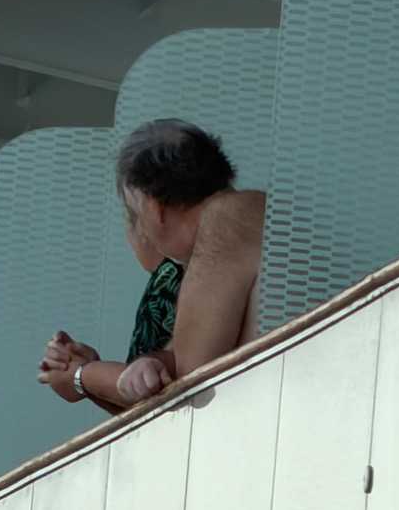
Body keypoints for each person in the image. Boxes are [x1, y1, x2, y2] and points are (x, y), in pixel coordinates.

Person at [38, 120, 264, 413]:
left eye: (134, 214)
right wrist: (137, 367)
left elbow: (187, 391)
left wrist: (82, 376)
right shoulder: (245, 216)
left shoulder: (225, 221)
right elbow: (174, 373)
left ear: (153, 207)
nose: (140, 230)